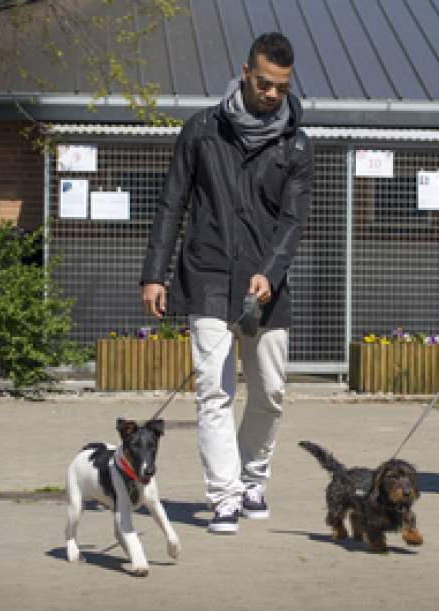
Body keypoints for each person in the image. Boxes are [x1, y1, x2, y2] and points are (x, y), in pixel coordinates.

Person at [139, 32, 314, 534]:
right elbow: (172, 204)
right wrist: (155, 273)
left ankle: (252, 477)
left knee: (269, 393)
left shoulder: (297, 144)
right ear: (244, 72)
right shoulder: (201, 130)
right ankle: (224, 496)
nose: (271, 95)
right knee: (213, 393)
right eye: (263, 83)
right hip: (209, 276)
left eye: (281, 87)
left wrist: (271, 271)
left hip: (266, 288)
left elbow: (293, 220)